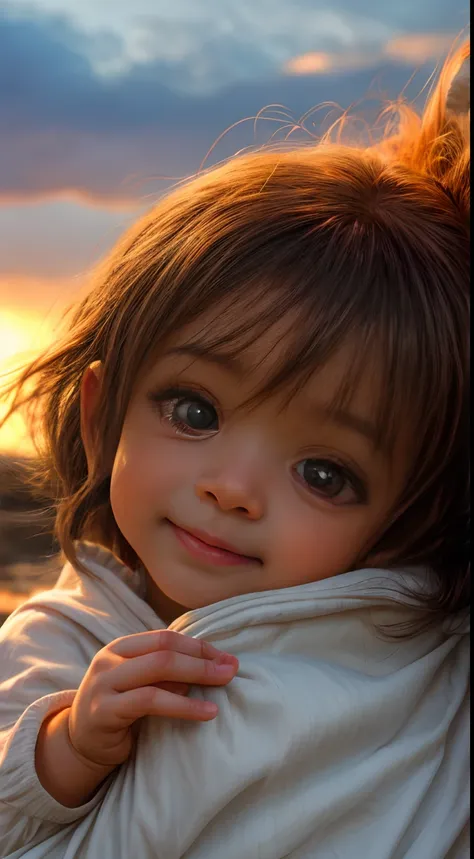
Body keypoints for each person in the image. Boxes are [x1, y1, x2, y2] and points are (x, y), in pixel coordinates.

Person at [0, 40, 469, 859]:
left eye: (325, 473)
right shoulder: (63, 634)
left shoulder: (416, 650)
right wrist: (69, 746)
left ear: (412, 513)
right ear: (100, 415)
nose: (233, 488)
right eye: (194, 409)